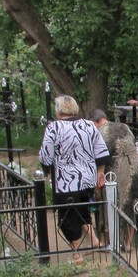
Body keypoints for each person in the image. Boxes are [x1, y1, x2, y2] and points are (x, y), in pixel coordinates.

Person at [40, 95, 111, 265]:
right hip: (87, 178)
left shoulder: (54, 128)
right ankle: (94, 241)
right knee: (83, 209)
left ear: (59, 110)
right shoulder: (88, 125)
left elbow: (45, 155)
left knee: (68, 217)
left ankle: (77, 253)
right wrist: (100, 173)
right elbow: (101, 151)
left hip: (66, 181)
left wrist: (46, 170)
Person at [87, 109, 138, 250]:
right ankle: (128, 242)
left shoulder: (102, 132)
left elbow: (102, 157)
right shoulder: (124, 126)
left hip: (119, 169)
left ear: (96, 122)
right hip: (136, 165)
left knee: (116, 202)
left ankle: (113, 241)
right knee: (136, 201)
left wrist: (98, 174)